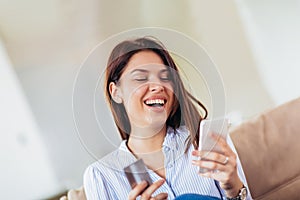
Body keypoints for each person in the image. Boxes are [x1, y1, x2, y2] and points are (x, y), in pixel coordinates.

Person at [84, 37, 251, 200]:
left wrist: (234, 189)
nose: (158, 86)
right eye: (141, 78)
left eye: (165, 77)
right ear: (116, 92)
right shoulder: (101, 175)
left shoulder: (206, 141)